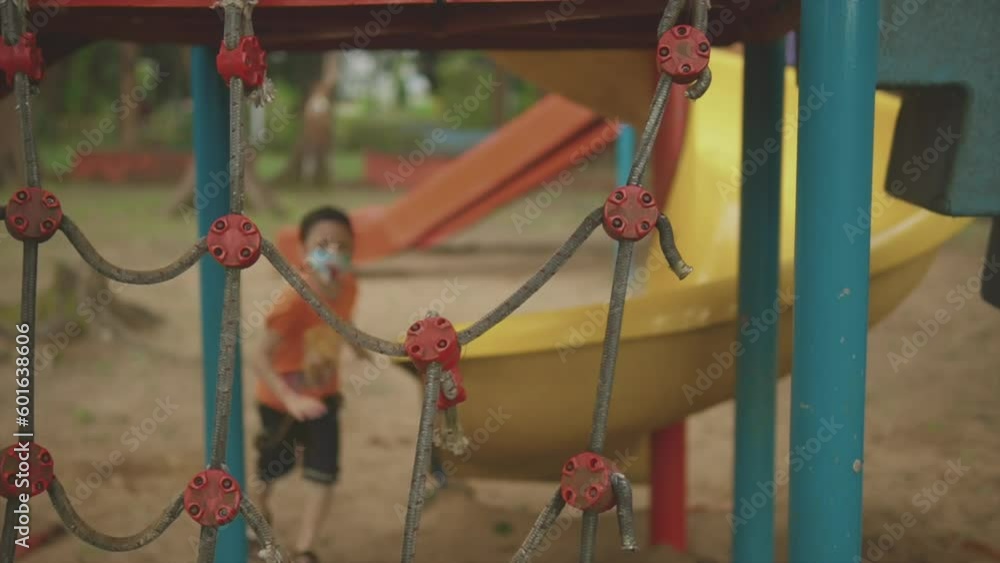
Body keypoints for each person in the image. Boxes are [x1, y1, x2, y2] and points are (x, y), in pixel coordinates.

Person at [249, 206, 369, 563]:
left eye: (342, 245)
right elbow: (259, 357)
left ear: (353, 250)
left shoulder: (349, 287)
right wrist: (290, 399)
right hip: (280, 404)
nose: (333, 252)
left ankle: (305, 551)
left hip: (324, 398)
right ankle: (257, 520)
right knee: (269, 472)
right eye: (322, 244)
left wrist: (360, 347)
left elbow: (342, 319)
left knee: (323, 473)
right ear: (303, 250)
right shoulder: (294, 299)